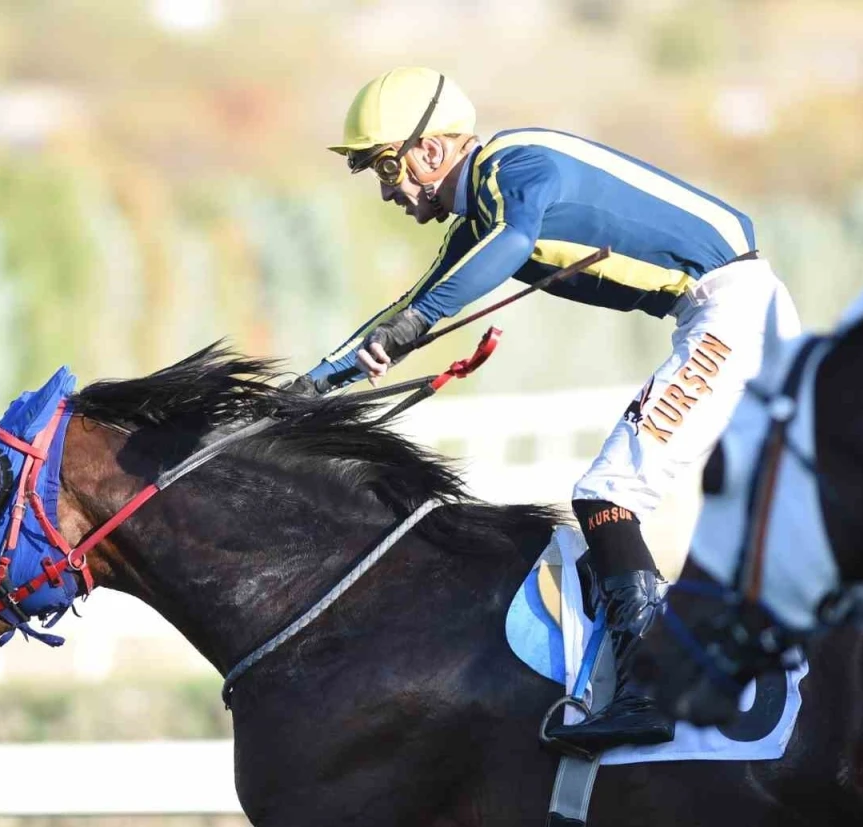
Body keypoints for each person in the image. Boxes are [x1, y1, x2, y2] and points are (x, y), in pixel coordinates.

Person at [294, 66, 801, 753]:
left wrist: (415, 324)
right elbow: (408, 308)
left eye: (386, 167)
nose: (387, 190)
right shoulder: (485, 210)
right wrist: (308, 388)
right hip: (724, 313)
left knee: (607, 495)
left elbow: (507, 245)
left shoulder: (514, 168)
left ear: (432, 149)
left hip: (732, 314)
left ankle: (650, 692)